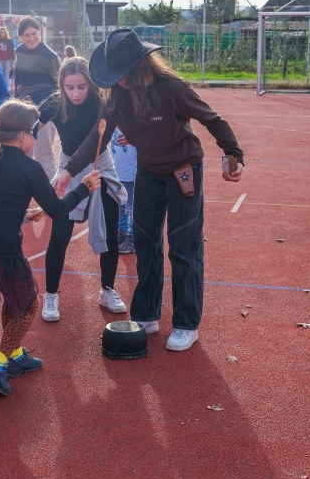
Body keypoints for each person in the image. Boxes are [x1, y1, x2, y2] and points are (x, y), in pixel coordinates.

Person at [54, 28, 244, 352]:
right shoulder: (116, 97)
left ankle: (186, 323)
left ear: (141, 65)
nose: (119, 81)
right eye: (114, 75)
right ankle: (147, 313)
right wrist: (68, 171)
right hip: (148, 171)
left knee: (183, 245)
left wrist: (233, 156)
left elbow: (213, 120)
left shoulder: (172, 88)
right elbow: (96, 137)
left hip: (184, 170)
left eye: (123, 74)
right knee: (145, 242)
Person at [0, 99, 100, 396]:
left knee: (13, 297)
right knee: (29, 304)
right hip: (1, 248)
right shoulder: (30, 168)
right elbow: (57, 210)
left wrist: (0, 201)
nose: (36, 138)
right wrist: (84, 187)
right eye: (34, 133)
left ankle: (15, 354)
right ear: (21, 135)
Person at [38, 58, 127, 323]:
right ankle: (50, 294)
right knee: (59, 235)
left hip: (102, 165)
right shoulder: (53, 104)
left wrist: (132, 134)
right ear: (61, 86)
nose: (75, 93)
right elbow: (27, 130)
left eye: (81, 87)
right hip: (68, 166)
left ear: (91, 84)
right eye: (69, 87)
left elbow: (130, 119)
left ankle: (107, 289)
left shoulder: (103, 102)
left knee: (110, 233)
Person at [12, 16, 61, 180]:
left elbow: (60, 85)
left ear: (40, 32)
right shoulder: (18, 51)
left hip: (44, 109)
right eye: (26, 35)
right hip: (24, 110)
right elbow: (18, 80)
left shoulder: (50, 56)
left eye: (34, 33)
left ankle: (52, 193)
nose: (31, 38)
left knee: (43, 155)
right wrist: (15, 103)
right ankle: (25, 192)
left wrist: (50, 109)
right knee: (23, 153)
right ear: (21, 36)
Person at [110, 128, 137, 254]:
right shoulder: (114, 126)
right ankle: (122, 233)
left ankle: (132, 238)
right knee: (120, 205)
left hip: (130, 174)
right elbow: (112, 151)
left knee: (129, 208)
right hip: (118, 174)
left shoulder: (134, 125)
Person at [0, 26, 15, 93]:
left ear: (6, 33)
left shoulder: (9, 40)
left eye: (4, 32)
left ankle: (7, 90)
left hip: (7, 59)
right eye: (1, 32)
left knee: (7, 75)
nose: (2, 34)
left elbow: (12, 50)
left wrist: (14, 59)